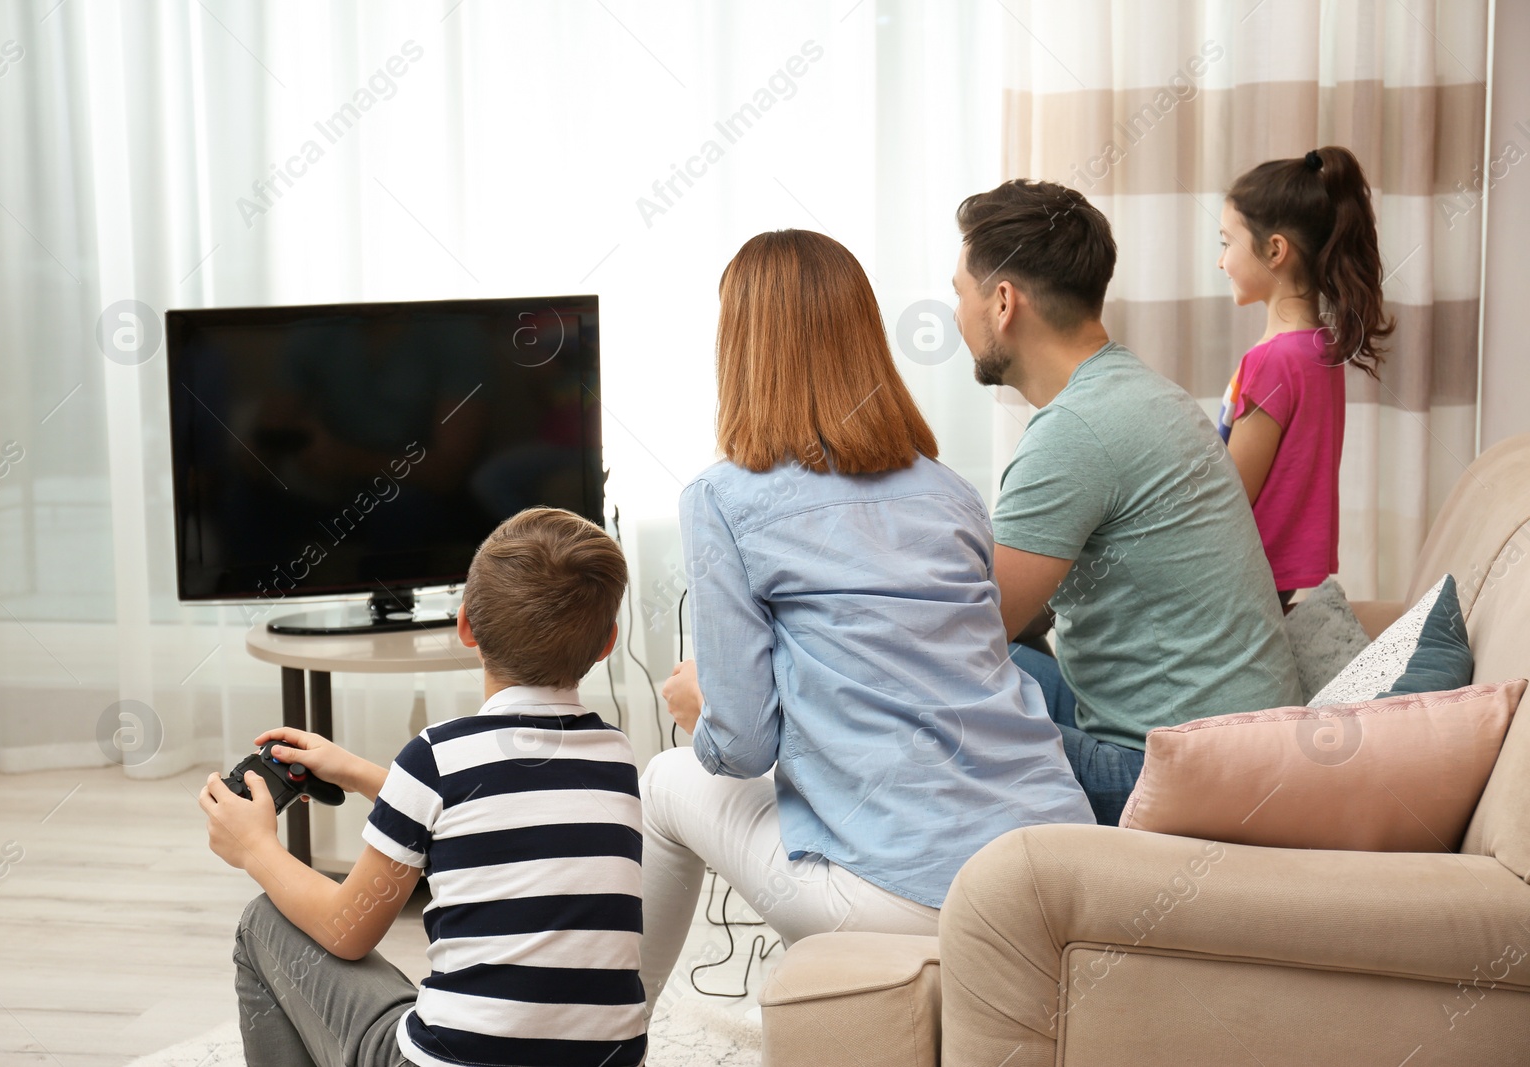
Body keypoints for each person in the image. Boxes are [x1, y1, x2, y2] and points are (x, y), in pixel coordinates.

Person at [643, 229, 1094, 1013]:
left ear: (740, 350)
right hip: (1058, 870)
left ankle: (606, 1039)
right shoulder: (949, 489)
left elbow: (744, 747)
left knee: (662, 782)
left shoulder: (721, 498)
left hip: (910, 901)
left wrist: (702, 708)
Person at [200, 507, 646, 1067]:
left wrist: (255, 849)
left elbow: (347, 931)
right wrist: (363, 773)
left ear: (464, 626)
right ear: (606, 643)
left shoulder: (436, 757)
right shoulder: (618, 758)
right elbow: (490, 819)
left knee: (263, 924)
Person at [950, 180, 1302, 825]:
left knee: (930, 712)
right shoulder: (1145, 393)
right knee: (1000, 668)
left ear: (1002, 303)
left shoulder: (1074, 431)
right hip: (1246, 748)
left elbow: (971, 634)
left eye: (958, 294)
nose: (955, 315)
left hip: (1181, 775)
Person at [1217, 146, 1391, 606]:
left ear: (1274, 250)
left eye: (1225, 243)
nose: (1221, 262)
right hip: (1276, 581)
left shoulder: (1275, 361)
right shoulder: (1320, 349)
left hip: (1241, 581)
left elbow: (1229, 494)